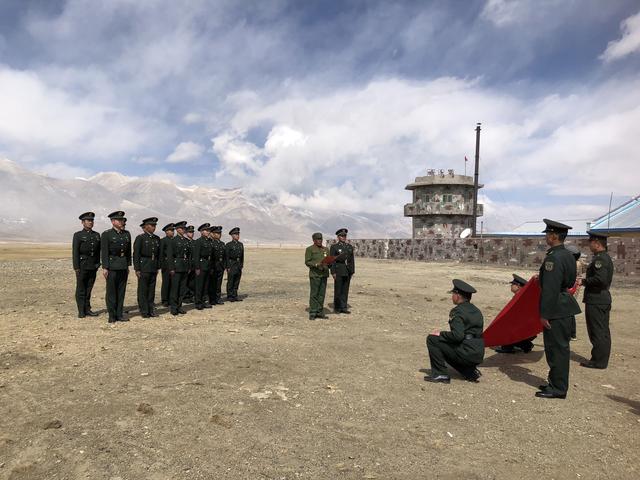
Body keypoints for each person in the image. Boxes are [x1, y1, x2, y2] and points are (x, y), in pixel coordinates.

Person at [536, 219, 581, 399]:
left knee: (557, 350)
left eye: (548, 234)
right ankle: (554, 382)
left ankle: (558, 388)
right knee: (558, 349)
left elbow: (551, 289)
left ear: (554, 236)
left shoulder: (554, 257)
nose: (546, 237)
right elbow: (567, 281)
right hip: (564, 305)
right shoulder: (567, 255)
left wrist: (544, 313)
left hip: (556, 308)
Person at [425, 279, 484, 383]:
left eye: (453, 294)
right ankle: (469, 371)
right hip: (478, 353)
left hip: (467, 353)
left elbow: (457, 336)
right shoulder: (476, 310)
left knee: (432, 339)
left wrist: (441, 334)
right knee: (451, 346)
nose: (452, 296)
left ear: (457, 295)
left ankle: (440, 374)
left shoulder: (457, 311)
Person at [578, 231, 614, 369]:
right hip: (600, 299)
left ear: (597, 244)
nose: (589, 245)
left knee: (597, 331)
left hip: (597, 299)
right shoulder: (602, 258)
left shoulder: (600, 259)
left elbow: (601, 279)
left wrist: (584, 281)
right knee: (602, 331)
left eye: (591, 242)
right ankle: (600, 359)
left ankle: (598, 361)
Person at [101, 211, 132, 323]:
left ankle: (119, 314)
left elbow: (128, 252)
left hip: (123, 266)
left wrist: (128, 265)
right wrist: (105, 267)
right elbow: (104, 252)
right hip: (112, 266)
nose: (122, 222)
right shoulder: (107, 234)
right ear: (113, 221)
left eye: (122, 220)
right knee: (111, 292)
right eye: (119, 220)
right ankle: (112, 315)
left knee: (121, 291)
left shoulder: (127, 234)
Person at [494, 274, 536, 353]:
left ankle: (508, 347)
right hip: (527, 328)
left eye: (513, 284)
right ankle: (526, 345)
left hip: (524, 329)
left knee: (505, 326)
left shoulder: (521, 298)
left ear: (518, 286)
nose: (511, 286)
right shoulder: (522, 296)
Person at [72, 212, 101, 318]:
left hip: (93, 266)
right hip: (82, 265)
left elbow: (98, 251)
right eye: (88, 220)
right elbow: (75, 252)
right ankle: (81, 311)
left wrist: (98, 263)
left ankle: (87, 309)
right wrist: (76, 267)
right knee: (81, 289)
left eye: (92, 220)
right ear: (82, 222)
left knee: (89, 288)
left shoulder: (96, 235)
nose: (90, 222)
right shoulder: (78, 235)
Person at [133, 217, 161, 318]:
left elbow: (158, 254)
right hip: (144, 266)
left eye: (155, 226)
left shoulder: (157, 238)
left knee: (151, 290)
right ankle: (144, 310)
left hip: (153, 266)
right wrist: (137, 268)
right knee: (143, 289)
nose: (154, 227)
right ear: (146, 227)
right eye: (152, 225)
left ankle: (151, 309)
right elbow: (136, 254)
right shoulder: (140, 238)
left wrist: (158, 266)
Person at [167, 221, 191, 315]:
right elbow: (170, 256)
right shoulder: (173, 241)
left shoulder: (186, 241)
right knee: (175, 288)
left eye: (184, 228)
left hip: (184, 267)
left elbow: (189, 255)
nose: (183, 230)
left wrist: (189, 266)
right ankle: (173, 308)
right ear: (177, 230)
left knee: (182, 288)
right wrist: (171, 268)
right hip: (176, 267)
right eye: (182, 228)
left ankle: (179, 306)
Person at [305, 232, 330, 320]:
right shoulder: (310, 249)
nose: (320, 241)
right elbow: (307, 262)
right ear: (314, 240)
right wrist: (316, 264)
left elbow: (328, 260)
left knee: (321, 294)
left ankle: (319, 311)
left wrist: (330, 263)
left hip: (324, 274)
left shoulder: (326, 249)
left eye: (321, 239)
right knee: (314, 294)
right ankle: (313, 312)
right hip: (315, 275)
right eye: (318, 239)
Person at [329, 228, 355, 314]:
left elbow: (352, 260)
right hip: (338, 270)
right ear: (338, 237)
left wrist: (352, 271)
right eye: (342, 236)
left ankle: (344, 307)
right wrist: (333, 272)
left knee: (345, 289)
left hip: (347, 271)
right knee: (338, 290)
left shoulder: (349, 247)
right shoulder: (334, 247)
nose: (344, 237)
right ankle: (337, 308)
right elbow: (332, 260)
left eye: (345, 236)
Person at [192, 223, 213, 310]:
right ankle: (198, 302)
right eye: (206, 230)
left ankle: (204, 301)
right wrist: (197, 267)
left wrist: (210, 266)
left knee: (206, 285)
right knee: (199, 285)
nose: (208, 232)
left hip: (207, 265)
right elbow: (196, 255)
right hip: (201, 265)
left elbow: (210, 255)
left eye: (209, 231)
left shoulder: (209, 241)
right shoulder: (198, 241)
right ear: (201, 231)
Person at [566, 244, 583, 340]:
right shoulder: (577, 263)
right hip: (574, 287)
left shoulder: (575, 264)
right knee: (569, 310)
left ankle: (571, 333)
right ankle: (572, 333)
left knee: (568, 310)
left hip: (572, 287)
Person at [225, 227, 244, 301]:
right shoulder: (229, 245)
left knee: (236, 281)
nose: (237, 236)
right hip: (231, 264)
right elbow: (226, 257)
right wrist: (228, 266)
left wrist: (241, 265)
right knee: (231, 281)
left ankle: (235, 295)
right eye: (236, 234)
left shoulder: (240, 244)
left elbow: (242, 256)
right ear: (232, 236)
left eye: (238, 234)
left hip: (238, 265)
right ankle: (230, 296)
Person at [209, 226, 227, 305]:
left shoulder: (222, 244)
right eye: (217, 233)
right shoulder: (211, 243)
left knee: (218, 283)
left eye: (220, 233)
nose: (219, 235)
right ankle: (212, 299)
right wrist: (211, 267)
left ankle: (218, 298)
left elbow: (225, 256)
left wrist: (225, 266)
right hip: (214, 266)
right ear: (212, 234)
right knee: (212, 283)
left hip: (220, 266)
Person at [159, 223, 175, 307]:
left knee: (173, 283)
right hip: (166, 265)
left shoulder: (174, 240)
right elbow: (161, 254)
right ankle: (165, 300)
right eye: (171, 230)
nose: (173, 232)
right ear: (166, 231)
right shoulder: (163, 241)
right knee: (166, 283)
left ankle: (171, 299)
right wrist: (162, 265)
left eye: (173, 230)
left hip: (174, 265)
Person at [184, 225, 196, 303]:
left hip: (194, 265)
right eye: (190, 232)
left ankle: (191, 296)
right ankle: (185, 297)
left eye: (192, 232)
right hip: (187, 264)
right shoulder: (185, 241)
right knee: (186, 281)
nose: (191, 234)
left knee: (192, 282)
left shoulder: (195, 242)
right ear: (186, 233)